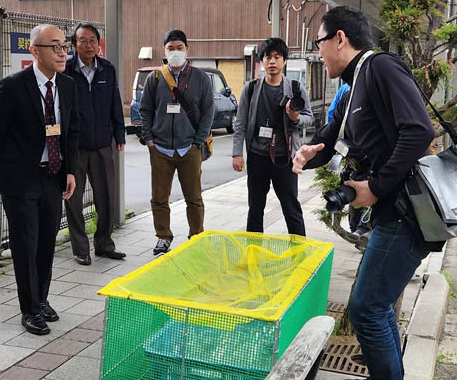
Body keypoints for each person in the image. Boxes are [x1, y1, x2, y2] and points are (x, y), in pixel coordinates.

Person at [292, 6, 434, 380]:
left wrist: (375, 187)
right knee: (379, 305)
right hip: (388, 212)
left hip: (404, 213)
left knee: (366, 307)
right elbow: (331, 134)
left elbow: (419, 131)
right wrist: (310, 151)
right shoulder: (353, 84)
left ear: (339, 39)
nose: (318, 53)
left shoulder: (381, 68)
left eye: (318, 42)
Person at [0, 24, 80, 335]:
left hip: (52, 176)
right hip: (20, 178)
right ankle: (29, 310)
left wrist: (70, 170)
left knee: (45, 243)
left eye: (64, 46)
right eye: (54, 46)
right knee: (25, 245)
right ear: (34, 50)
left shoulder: (67, 86)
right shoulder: (13, 86)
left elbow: (72, 132)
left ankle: (41, 299)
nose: (62, 51)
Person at [139, 29, 214, 255]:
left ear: (187, 49)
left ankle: (196, 235)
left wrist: (198, 142)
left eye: (179, 48)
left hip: (189, 148)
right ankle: (163, 236)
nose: (175, 52)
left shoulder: (200, 78)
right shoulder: (154, 78)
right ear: (164, 50)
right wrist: (150, 140)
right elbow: (145, 110)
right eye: (170, 48)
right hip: (160, 148)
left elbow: (208, 112)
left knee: (194, 197)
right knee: (159, 197)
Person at [232, 37, 313, 236]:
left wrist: (294, 117)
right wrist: (237, 153)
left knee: (291, 207)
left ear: (284, 60)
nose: (272, 62)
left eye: (277, 57)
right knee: (255, 208)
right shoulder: (250, 89)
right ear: (261, 62)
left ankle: (299, 253)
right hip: (257, 156)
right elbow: (240, 122)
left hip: (285, 158)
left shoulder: (295, 88)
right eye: (268, 57)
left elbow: (309, 118)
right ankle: (253, 253)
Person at [64, 23, 126, 266]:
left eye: (92, 40)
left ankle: (104, 244)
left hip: (102, 144)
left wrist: (119, 134)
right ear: (74, 44)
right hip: (74, 147)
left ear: (99, 43)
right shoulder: (66, 69)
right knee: (74, 201)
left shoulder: (107, 69)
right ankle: (81, 249)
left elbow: (115, 103)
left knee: (106, 198)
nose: (88, 45)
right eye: (82, 40)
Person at [328, 83, 371, 240]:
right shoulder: (349, 90)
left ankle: (359, 228)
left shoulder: (346, 90)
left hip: (350, 153)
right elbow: (332, 116)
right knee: (357, 186)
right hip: (360, 155)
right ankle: (360, 229)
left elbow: (331, 118)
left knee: (355, 185)